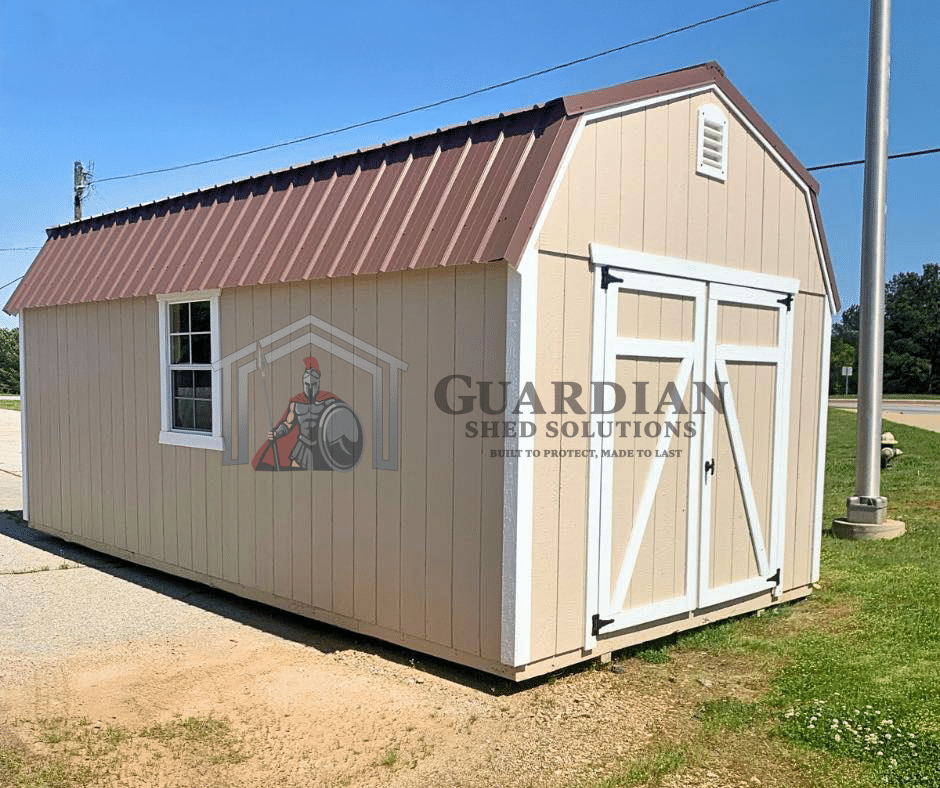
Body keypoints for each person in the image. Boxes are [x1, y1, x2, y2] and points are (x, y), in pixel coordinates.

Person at [251, 356, 339, 471]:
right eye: (307, 385)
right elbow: (288, 424)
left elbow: (338, 424)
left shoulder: (328, 403)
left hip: (322, 449)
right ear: (303, 384)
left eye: (313, 385)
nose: (310, 388)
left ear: (318, 383)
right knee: (295, 476)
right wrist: (276, 433)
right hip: (302, 447)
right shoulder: (296, 404)